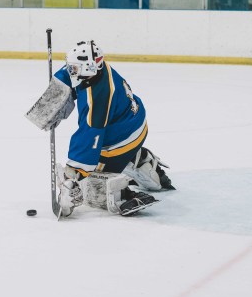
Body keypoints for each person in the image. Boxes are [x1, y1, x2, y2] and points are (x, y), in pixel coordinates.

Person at [27, 41, 175, 217]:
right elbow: (67, 74)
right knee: (93, 168)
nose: (71, 71)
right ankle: (137, 158)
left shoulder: (98, 98)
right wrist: (51, 103)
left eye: (75, 68)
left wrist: (72, 176)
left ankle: (131, 173)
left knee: (94, 183)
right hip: (130, 121)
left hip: (124, 138)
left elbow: (89, 137)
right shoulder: (95, 70)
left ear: (89, 67)